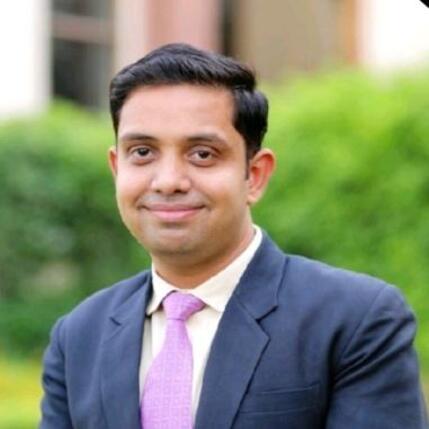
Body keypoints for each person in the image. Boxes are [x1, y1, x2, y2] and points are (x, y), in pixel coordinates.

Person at [40, 43, 428, 429]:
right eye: (142, 152)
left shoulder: (354, 320)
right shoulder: (79, 336)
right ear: (116, 169)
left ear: (254, 176)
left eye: (202, 154)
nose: (168, 181)